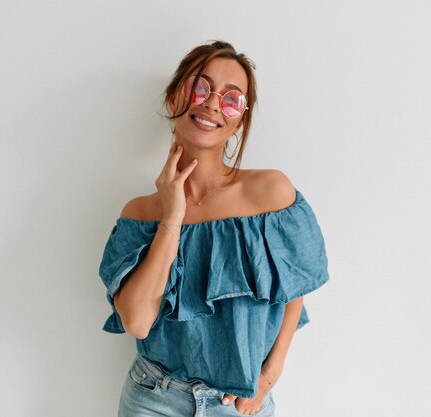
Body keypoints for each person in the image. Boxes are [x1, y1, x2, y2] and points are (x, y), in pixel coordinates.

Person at [98, 40, 330, 416]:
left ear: (239, 119)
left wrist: (270, 375)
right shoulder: (141, 213)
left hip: (238, 405)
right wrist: (172, 217)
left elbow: (294, 287)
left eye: (231, 98)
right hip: (152, 398)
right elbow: (138, 323)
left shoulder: (271, 193)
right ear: (175, 96)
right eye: (200, 87)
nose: (211, 103)